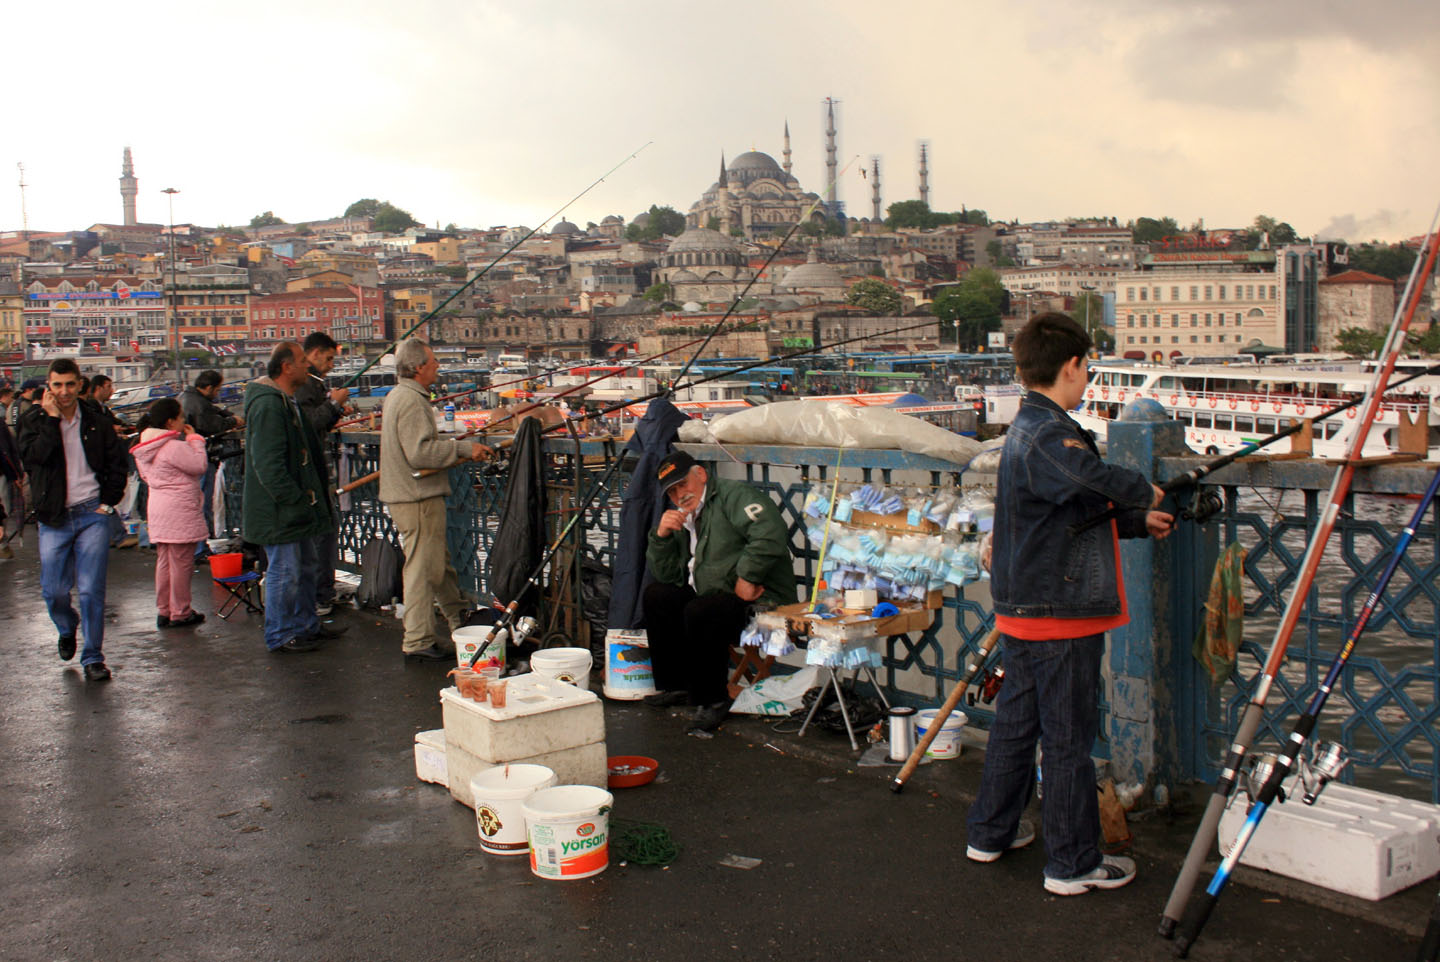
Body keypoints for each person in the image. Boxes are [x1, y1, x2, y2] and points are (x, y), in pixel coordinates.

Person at [964, 313, 1173, 896]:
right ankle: (1073, 863)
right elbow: (1080, 475)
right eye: (1087, 368)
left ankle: (990, 832)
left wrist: (1135, 520)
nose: (1088, 381)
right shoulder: (1047, 432)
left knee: (1017, 724)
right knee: (1067, 739)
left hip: (1025, 606)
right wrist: (1143, 489)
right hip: (1057, 613)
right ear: (1072, 365)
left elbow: (1064, 512)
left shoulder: (1029, 428)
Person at [641, 450, 795, 733]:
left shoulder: (733, 495)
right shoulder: (684, 516)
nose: (680, 495)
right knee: (658, 596)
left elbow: (769, 529)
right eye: (672, 492)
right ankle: (678, 686)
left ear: (700, 474)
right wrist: (661, 537)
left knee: (701, 610)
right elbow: (670, 577)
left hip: (762, 600)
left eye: (683, 484)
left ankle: (713, 700)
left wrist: (748, 576)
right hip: (713, 596)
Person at [16, 358, 130, 681]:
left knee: (92, 589)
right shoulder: (34, 420)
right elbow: (34, 458)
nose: (64, 392)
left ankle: (93, 656)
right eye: (57, 385)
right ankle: (67, 627)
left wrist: (108, 503)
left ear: (80, 384)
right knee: (53, 590)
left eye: (70, 384)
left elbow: (116, 462)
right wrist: (52, 421)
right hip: (54, 517)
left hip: (91, 512)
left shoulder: (96, 418)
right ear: (48, 387)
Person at [379, 338, 490, 662]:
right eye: (434, 361)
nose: (438, 366)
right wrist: (463, 449)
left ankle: (459, 621)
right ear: (417, 368)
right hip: (418, 498)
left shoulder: (398, 395)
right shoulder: (412, 401)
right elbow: (419, 453)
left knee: (437, 567)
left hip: (408, 496)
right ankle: (417, 640)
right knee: (421, 571)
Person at [241, 343, 340, 654]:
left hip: (297, 508)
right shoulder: (269, 406)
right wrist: (295, 500)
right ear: (286, 367)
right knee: (285, 571)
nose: (306, 366)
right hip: (281, 511)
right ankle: (282, 634)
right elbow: (269, 465)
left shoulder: (285, 401)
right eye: (301, 361)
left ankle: (305, 625)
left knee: (305, 566)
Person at [132, 397, 208, 629]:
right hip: (179, 508)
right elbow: (199, 465)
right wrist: (195, 440)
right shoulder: (173, 446)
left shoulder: (144, 447)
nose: (183, 420)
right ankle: (181, 611)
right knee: (182, 562)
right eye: (181, 417)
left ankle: (164, 610)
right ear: (170, 421)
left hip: (158, 506)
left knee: (164, 561)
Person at [292, 332, 351, 617]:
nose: (330, 365)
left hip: (318, 470)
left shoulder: (312, 384)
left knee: (325, 532)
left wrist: (334, 409)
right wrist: (334, 404)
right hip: (314, 473)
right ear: (314, 354)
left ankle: (321, 591)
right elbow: (310, 424)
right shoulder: (306, 385)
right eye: (328, 359)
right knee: (323, 534)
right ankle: (320, 596)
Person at [180, 369, 243, 555]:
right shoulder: (199, 405)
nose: (217, 394)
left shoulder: (187, 396)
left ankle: (196, 545)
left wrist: (226, 414)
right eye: (217, 390)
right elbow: (212, 424)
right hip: (199, 457)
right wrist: (232, 420)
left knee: (195, 502)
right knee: (202, 503)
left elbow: (213, 411)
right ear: (208, 388)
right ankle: (200, 547)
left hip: (188, 457)